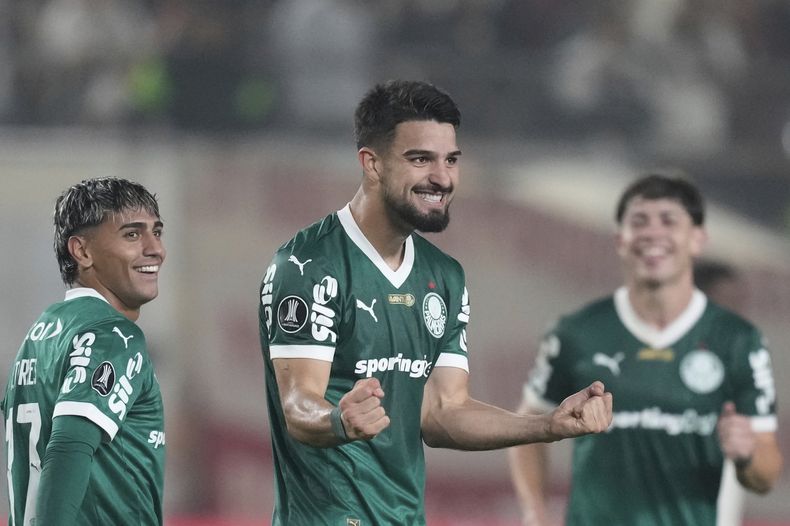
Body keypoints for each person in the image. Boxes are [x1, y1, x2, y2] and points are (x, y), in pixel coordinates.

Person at [258, 79, 613, 526]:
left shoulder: (444, 276)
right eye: (420, 159)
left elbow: (444, 412)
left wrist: (548, 426)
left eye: (451, 160)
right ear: (372, 164)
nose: (442, 178)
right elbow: (297, 405)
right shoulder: (309, 265)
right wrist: (339, 421)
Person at [509, 174, 783, 526]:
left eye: (669, 221)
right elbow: (527, 426)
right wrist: (535, 514)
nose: (653, 233)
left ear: (697, 239)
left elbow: (766, 472)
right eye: (639, 221)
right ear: (620, 240)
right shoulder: (578, 332)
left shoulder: (739, 340)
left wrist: (746, 456)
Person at [2, 178, 167, 525]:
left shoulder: (40, 335)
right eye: (133, 235)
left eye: (157, 232)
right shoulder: (115, 336)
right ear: (82, 251)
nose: (156, 249)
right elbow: (68, 448)